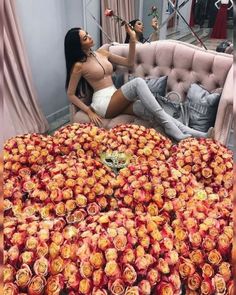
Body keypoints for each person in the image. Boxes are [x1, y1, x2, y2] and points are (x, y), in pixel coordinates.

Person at [64, 26, 213, 142]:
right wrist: (88, 111)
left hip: (115, 97)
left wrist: (133, 39)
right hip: (104, 104)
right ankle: (173, 129)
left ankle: (195, 134)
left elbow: (129, 62)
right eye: (85, 38)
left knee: (147, 109)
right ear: (79, 45)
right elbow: (70, 94)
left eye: (87, 34)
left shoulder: (103, 53)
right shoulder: (79, 66)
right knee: (137, 83)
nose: (89, 37)